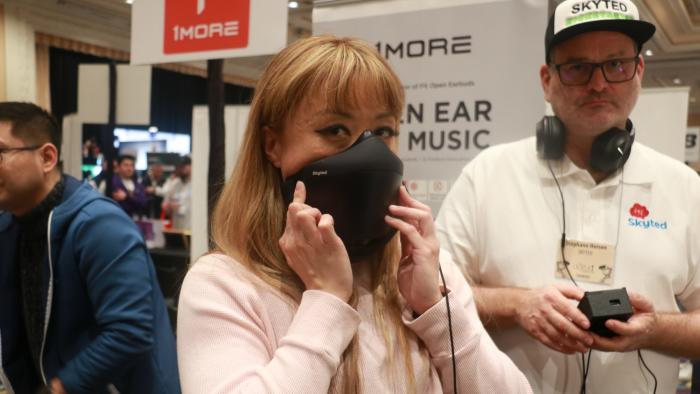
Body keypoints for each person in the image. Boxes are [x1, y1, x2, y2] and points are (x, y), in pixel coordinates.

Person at [176, 36, 532, 393]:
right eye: (334, 130)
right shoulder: (225, 284)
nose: (369, 152)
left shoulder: (424, 270)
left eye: (383, 131)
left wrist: (436, 310)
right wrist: (327, 300)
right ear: (273, 145)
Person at [435, 0, 700, 393]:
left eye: (616, 65)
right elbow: (431, 293)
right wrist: (518, 305)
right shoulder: (488, 175)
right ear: (547, 79)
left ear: (638, 71)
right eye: (577, 68)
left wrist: (656, 329)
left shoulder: (683, 187)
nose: (599, 84)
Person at [0, 102, 181, 394]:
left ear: (47, 157)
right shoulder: (10, 226)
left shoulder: (99, 224)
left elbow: (130, 332)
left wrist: (60, 387)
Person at [162, 156, 191, 230]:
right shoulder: (174, 184)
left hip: (192, 229)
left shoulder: (197, 185)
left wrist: (179, 209)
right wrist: (168, 207)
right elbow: (166, 204)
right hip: (177, 229)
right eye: (179, 167)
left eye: (184, 166)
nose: (181, 169)